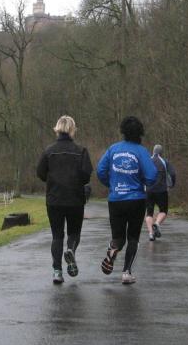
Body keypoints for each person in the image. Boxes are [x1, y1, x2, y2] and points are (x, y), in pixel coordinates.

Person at [96, 116, 158, 285]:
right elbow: (152, 175)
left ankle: (113, 249)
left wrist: (111, 185)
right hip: (136, 200)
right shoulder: (141, 151)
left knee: (118, 237)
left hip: (115, 199)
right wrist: (143, 182)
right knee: (133, 238)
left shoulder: (113, 149)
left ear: (123, 131)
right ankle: (126, 273)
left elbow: (100, 170)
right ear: (140, 133)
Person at [37, 115, 93, 284]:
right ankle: (70, 250)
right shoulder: (81, 151)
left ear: (57, 129)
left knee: (57, 236)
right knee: (74, 233)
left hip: (54, 199)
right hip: (75, 199)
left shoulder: (49, 151)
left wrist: (53, 180)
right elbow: (86, 175)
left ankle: (57, 272)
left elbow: (40, 173)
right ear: (72, 130)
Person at [145, 144, 177, 242]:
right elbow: (173, 173)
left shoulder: (147, 161)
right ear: (161, 152)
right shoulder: (164, 161)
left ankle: (151, 234)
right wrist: (171, 184)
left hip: (149, 190)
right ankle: (157, 224)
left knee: (149, 213)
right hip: (161, 190)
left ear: (153, 151)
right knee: (163, 211)